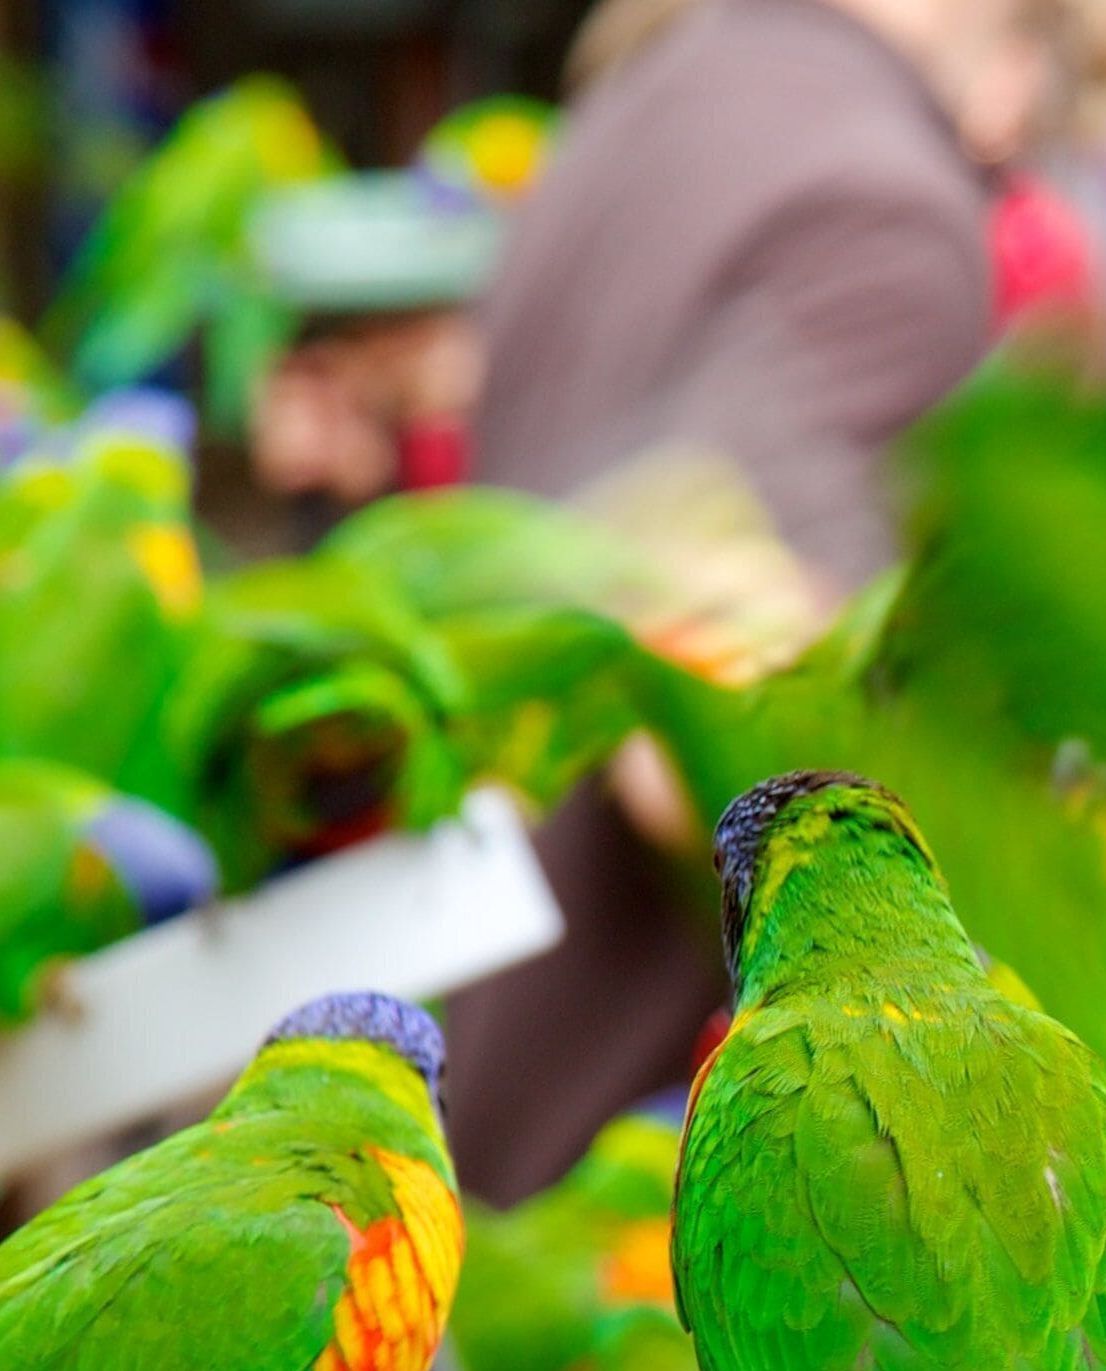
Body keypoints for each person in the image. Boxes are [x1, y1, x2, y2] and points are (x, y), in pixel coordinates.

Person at [430, 0, 1016, 1202]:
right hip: (633, 1151)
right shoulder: (881, 207)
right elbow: (720, 653)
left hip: (480, 1010)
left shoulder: (647, 102)